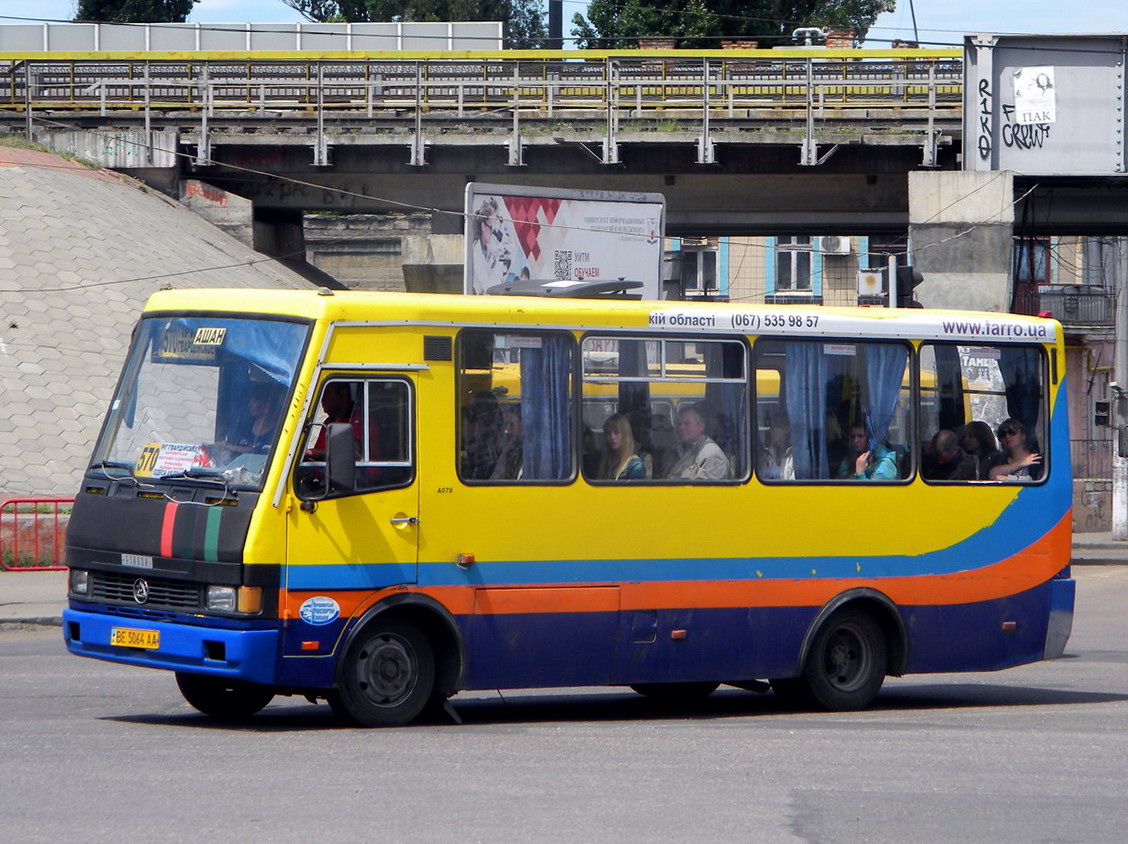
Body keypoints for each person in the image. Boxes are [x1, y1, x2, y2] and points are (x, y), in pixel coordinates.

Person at [666, 403, 730, 480]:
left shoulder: (711, 455)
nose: (681, 428)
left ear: (701, 426)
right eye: (678, 424)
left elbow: (703, 490)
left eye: (687, 423)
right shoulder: (681, 451)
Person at [469, 198, 512, 295]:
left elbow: (508, 242)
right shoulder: (476, 252)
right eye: (491, 227)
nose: (493, 231)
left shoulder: (490, 241)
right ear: (483, 227)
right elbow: (487, 286)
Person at [225, 381, 278, 455]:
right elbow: (229, 443)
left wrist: (228, 447)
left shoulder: (277, 434)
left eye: (255, 401)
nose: (250, 404)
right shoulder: (245, 425)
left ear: (267, 405)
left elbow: (255, 452)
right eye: (250, 400)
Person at [598, 413, 645, 480]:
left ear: (625, 435)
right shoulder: (607, 462)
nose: (612, 437)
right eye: (608, 433)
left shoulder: (635, 466)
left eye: (616, 432)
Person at [491, 405, 524, 480]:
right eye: (506, 424)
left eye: (511, 425)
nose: (507, 430)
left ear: (522, 426)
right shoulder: (507, 451)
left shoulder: (529, 456)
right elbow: (496, 477)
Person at [758, 412, 794, 480]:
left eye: (774, 427)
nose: (770, 431)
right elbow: (762, 476)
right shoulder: (767, 456)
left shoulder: (792, 457)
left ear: (785, 430)